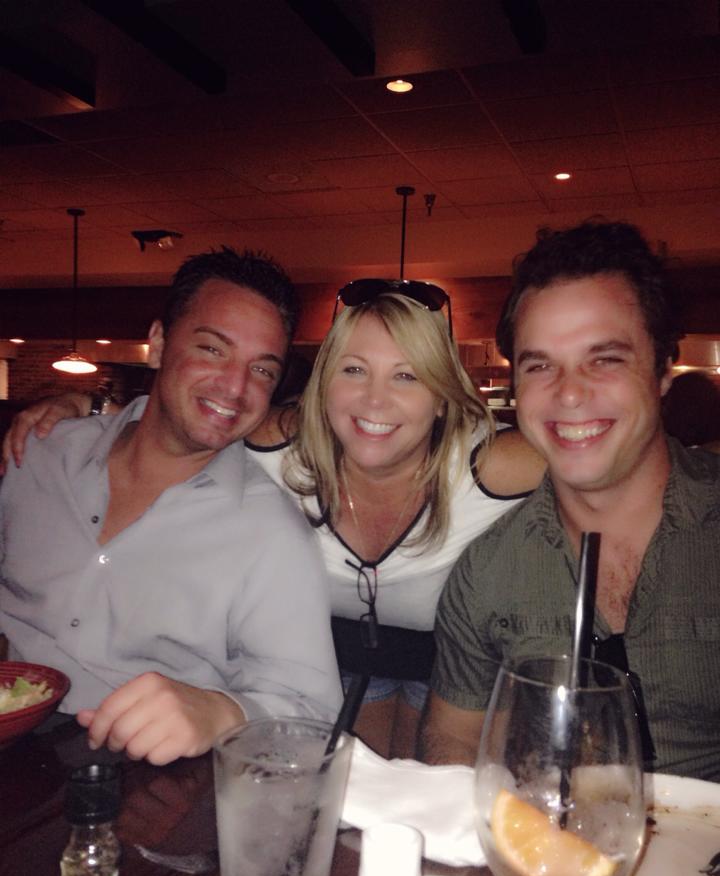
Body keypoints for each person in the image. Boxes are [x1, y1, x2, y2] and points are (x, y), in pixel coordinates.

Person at [4, 279, 545, 759]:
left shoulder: (489, 467)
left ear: (442, 398)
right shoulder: (276, 446)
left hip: (449, 668)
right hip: (328, 660)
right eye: (354, 370)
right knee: (350, 798)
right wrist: (86, 410)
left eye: (407, 376)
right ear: (325, 384)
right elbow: (199, 412)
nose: (375, 400)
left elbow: (586, 458)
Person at [0, 247, 342, 765]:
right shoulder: (39, 454)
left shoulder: (272, 534)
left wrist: (224, 711)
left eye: (262, 370)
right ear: (158, 344)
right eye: (213, 349)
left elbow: (314, 717)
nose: (236, 387)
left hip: (145, 777)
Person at [419, 220, 720, 782]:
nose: (570, 392)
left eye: (604, 359)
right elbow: (453, 740)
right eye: (540, 365)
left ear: (662, 370)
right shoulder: (486, 573)